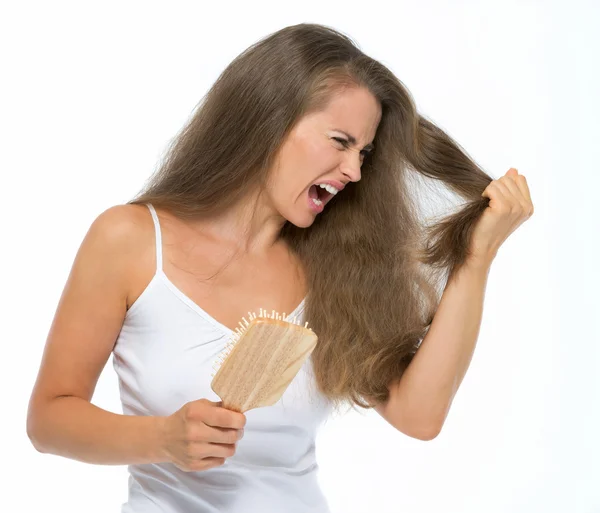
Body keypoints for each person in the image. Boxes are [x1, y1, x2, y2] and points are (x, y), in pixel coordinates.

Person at [26, 23, 533, 513]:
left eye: (364, 151)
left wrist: (477, 255)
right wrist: (161, 438)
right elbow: (49, 419)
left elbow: (419, 416)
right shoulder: (130, 240)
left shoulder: (335, 272)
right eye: (340, 142)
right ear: (267, 120)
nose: (355, 171)